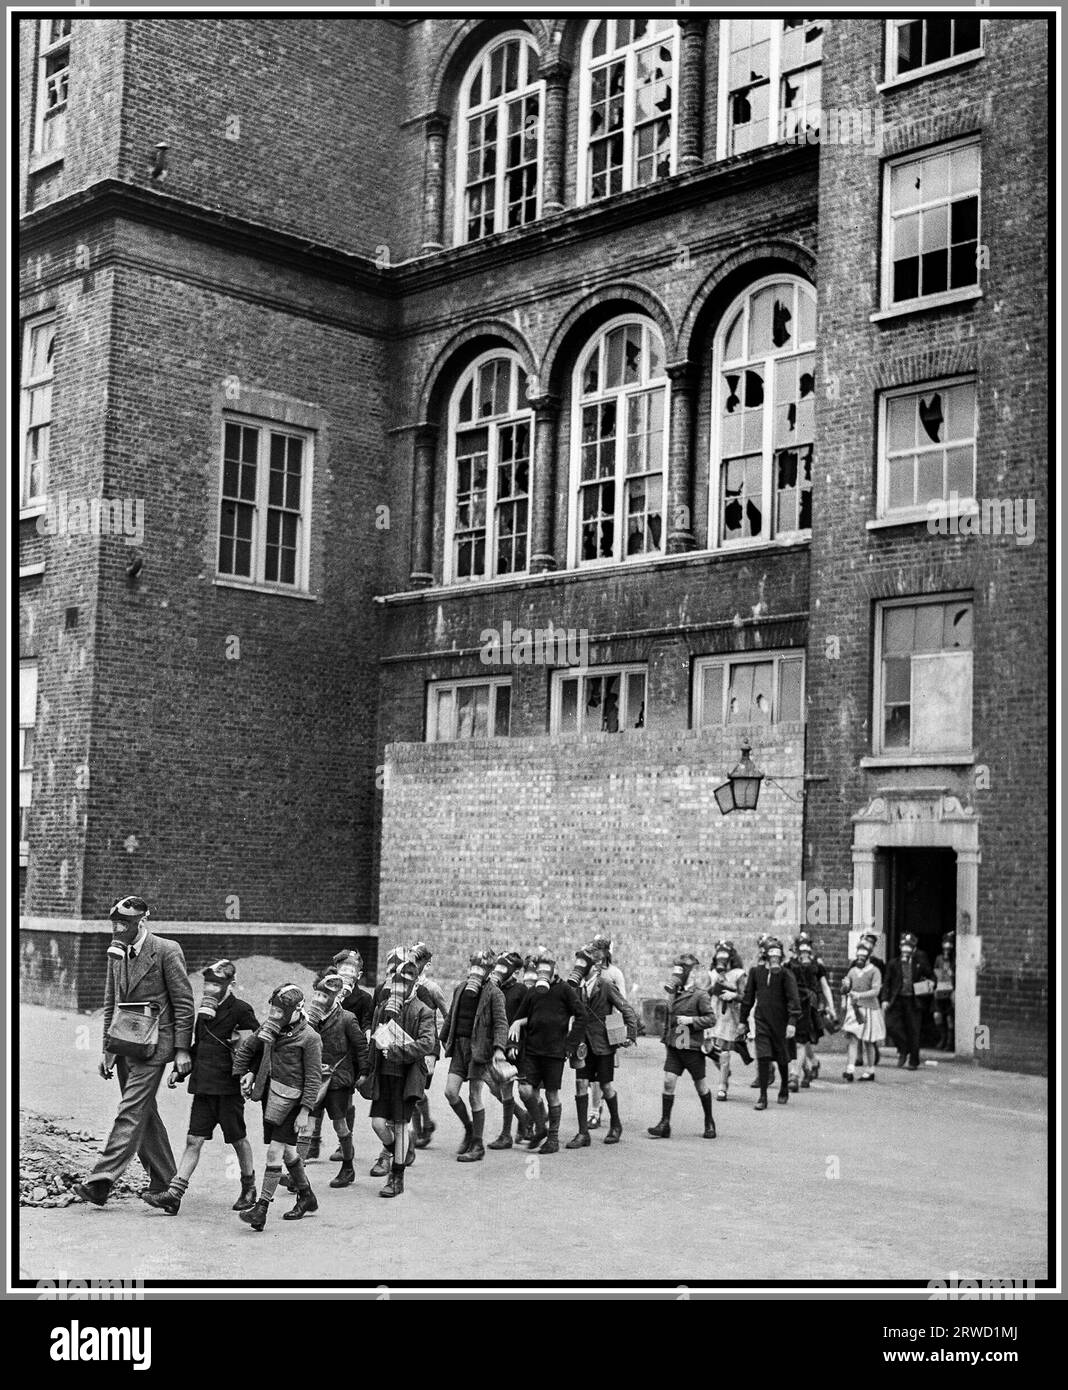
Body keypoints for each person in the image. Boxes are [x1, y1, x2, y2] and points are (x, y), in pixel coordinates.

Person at [75, 897, 195, 1208]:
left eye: (124, 925)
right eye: (115, 925)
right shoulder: (116, 953)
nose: (118, 930)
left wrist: (182, 1050)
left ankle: (100, 1180)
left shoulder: (167, 950)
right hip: (125, 1044)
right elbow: (111, 1002)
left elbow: (184, 1003)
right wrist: (107, 1050)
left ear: (140, 922)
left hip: (154, 1047)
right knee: (144, 1114)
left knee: (129, 1111)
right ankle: (168, 1186)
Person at [141, 959, 259, 1216]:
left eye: (217, 983)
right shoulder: (203, 1014)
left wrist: (249, 1072)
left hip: (228, 1091)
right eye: (208, 983)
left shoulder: (241, 1010)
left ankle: (249, 1187)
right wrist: (180, 1072)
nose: (210, 988)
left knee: (238, 1140)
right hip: (204, 1089)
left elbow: (256, 1047)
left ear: (231, 984)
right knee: (193, 1139)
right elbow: (199, 1047)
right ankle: (174, 1195)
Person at [233, 984, 323, 1230]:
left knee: (274, 1152)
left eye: (282, 1011)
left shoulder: (310, 1038)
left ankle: (260, 1210)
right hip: (271, 1098)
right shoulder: (269, 1029)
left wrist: (305, 1111)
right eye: (274, 1010)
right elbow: (249, 1049)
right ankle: (306, 1196)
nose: (276, 1016)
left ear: (297, 1011)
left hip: (294, 1103)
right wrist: (246, 1072)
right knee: (287, 1152)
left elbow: (314, 1078)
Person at [365, 954, 437, 1198]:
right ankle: (397, 1151)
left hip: (407, 1077)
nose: (400, 989)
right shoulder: (383, 1007)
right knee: (377, 1124)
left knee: (401, 1125)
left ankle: (396, 1177)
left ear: (415, 985)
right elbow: (375, 1039)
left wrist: (397, 1051)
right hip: (384, 1075)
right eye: (396, 983)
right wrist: (367, 1068)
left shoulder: (423, 1011)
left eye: (405, 984)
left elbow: (427, 1043)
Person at [564, 943, 639, 1146]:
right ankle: (582, 1134)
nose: (579, 968)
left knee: (605, 1086)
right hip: (582, 1045)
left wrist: (631, 1034)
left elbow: (626, 1009)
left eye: (583, 964)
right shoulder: (575, 988)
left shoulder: (605, 985)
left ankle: (616, 1125)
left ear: (593, 966)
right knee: (581, 1084)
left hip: (603, 1043)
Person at [511, 947, 582, 1154]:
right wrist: (517, 1024)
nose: (543, 974)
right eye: (540, 969)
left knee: (552, 1095)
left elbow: (581, 1015)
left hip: (554, 1052)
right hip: (533, 1051)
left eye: (547, 969)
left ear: (555, 970)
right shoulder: (533, 991)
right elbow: (520, 1015)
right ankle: (541, 1127)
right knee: (525, 1090)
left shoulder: (565, 990)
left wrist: (570, 1044)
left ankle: (553, 1139)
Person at [302, 972, 369, 1190]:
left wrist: (363, 1074)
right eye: (317, 993)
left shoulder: (347, 1018)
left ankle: (348, 1167)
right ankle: (298, 1173)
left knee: (340, 1125)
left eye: (325, 995)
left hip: (338, 1079)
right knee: (307, 1125)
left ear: (336, 996)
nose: (319, 999)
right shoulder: (310, 1018)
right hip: (315, 1077)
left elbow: (361, 1047)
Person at [440, 948, 508, 1162]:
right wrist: (443, 1038)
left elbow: (501, 1023)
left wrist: (498, 1049)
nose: (476, 971)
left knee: (474, 1095)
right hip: (459, 1048)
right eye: (474, 967)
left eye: (481, 968)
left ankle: (477, 1145)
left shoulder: (494, 993)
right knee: (451, 1092)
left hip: (479, 1049)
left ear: (489, 971)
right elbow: (452, 1016)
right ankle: (470, 1129)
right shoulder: (460, 988)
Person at [647, 955, 717, 1140]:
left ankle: (709, 1122)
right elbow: (669, 1020)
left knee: (700, 1086)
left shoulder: (700, 995)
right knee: (668, 1082)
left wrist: (691, 1020)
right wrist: (666, 1042)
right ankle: (664, 1123)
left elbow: (711, 1019)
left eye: (682, 970)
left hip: (692, 1048)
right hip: (676, 1047)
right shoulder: (674, 993)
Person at [316, 949, 373, 1163]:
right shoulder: (328, 990)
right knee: (318, 1095)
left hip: (350, 1054)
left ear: (358, 974)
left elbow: (366, 1021)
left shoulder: (364, 998)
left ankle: (344, 1145)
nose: (347, 974)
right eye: (343, 969)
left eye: (352, 970)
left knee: (344, 1101)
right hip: (328, 1050)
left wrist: (367, 1034)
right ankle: (313, 1140)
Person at [739, 935, 801, 1110]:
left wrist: (792, 1022)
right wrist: (742, 1021)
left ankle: (783, 1087)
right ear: (765, 955)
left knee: (782, 1057)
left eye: (777, 956)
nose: (774, 959)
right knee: (764, 1057)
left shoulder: (786, 975)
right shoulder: (756, 972)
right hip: (762, 1020)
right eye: (771, 955)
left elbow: (793, 999)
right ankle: (763, 1096)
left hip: (780, 1022)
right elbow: (748, 997)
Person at [485, 951, 531, 1149]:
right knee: (498, 1088)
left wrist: (515, 1045)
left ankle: (508, 1133)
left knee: (523, 1091)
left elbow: (529, 1017)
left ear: (516, 972)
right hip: (500, 1046)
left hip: (518, 1048)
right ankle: (522, 1117)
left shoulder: (521, 990)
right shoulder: (496, 990)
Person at [587, 933, 626, 1129]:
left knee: (602, 1079)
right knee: (589, 1078)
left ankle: (596, 1111)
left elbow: (621, 1005)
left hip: (605, 1030)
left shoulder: (614, 974)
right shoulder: (586, 972)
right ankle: (595, 1110)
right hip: (587, 1030)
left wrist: (618, 1035)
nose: (594, 954)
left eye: (598, 950)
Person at [881, 932, 935, 1071]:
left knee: (914, 1030)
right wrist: (885, 1000)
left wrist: (930, 983)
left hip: (913, 1000)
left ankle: (913, 1061)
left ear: (914, 949)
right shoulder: (893, 963)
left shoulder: (920, 963)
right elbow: (886, 983)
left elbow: (932, 976)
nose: (906, 950)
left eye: (909, 947)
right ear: (900, 947)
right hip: (897, 999)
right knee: (891, 1025)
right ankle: (904, 1048)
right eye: (904, 947)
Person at [708, 941, 749, 1100]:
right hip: (714, 1013)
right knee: (709, 1049)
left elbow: (746, 996)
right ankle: (725, 1072)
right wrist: (714, 987)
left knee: (725, 1051)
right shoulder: (712, 973)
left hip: (730, 1016)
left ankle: (722, 1087)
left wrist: (733, 995)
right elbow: (705, 992)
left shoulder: (738, 974)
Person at [841, 939, 885, 1081]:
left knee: (868, 1041)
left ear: (868, 956)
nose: (860, 959)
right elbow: (845, 990)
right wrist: (845, 986)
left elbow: (876, 991)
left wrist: (859, 994)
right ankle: (850, 1069)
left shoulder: (875, 971)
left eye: (863, 957)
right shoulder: (852, 971)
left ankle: (870, 1069)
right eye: (858, 956)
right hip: (855, 1008)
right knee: (853, 1038)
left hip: (870, 1009)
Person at [786, 938, 825, 1090]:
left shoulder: (816, 966)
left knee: (802, 1040)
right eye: (801, 950)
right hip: (792, 1004)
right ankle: (809, 1067)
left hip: (809, 1005)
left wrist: (828, 1006)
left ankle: (795, 1074)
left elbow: (824, 986)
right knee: (798, 1042)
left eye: (806, 950)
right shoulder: (789, 965)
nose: (804, 953)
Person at [932, 933, 956, 1051]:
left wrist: (952, 973)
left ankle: (949, 1042)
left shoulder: (956, 959)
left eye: (949, 945)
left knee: (949, 1018)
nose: (947, 948)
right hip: (940, 990)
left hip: (951, 991)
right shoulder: (939, 958)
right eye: (945, 945)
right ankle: (943, 1037)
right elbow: (935, 973)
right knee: (937, 1015)